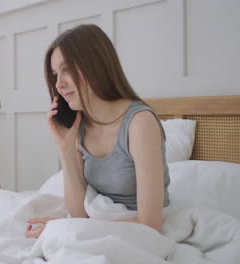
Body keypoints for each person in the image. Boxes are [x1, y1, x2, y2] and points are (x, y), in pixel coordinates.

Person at [25, 24, 170, 238]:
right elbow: (78, 213)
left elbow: (150, 225)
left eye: (68, 70)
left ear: (96, 66)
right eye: (55, 74)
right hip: (102, 226)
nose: (59, 84)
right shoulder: (79, 125)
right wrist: (65, 148)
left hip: (138, 232)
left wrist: (69, 227)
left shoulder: (139, 122)